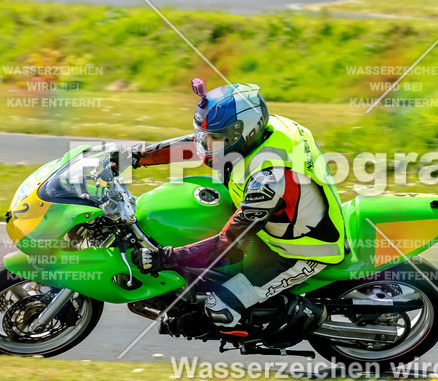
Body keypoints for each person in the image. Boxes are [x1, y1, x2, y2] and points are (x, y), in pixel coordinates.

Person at [129, 80, 346, 335]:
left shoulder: (270, 179)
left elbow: (229, 243)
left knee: (219, 308)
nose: (206, 144)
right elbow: (196, 145)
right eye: (205, 135)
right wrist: (136, 156)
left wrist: (166, 258)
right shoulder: (263, 131)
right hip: (273, 224)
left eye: (215, 138)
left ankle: (295, 316)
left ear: (242, 134)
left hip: (299, 251)